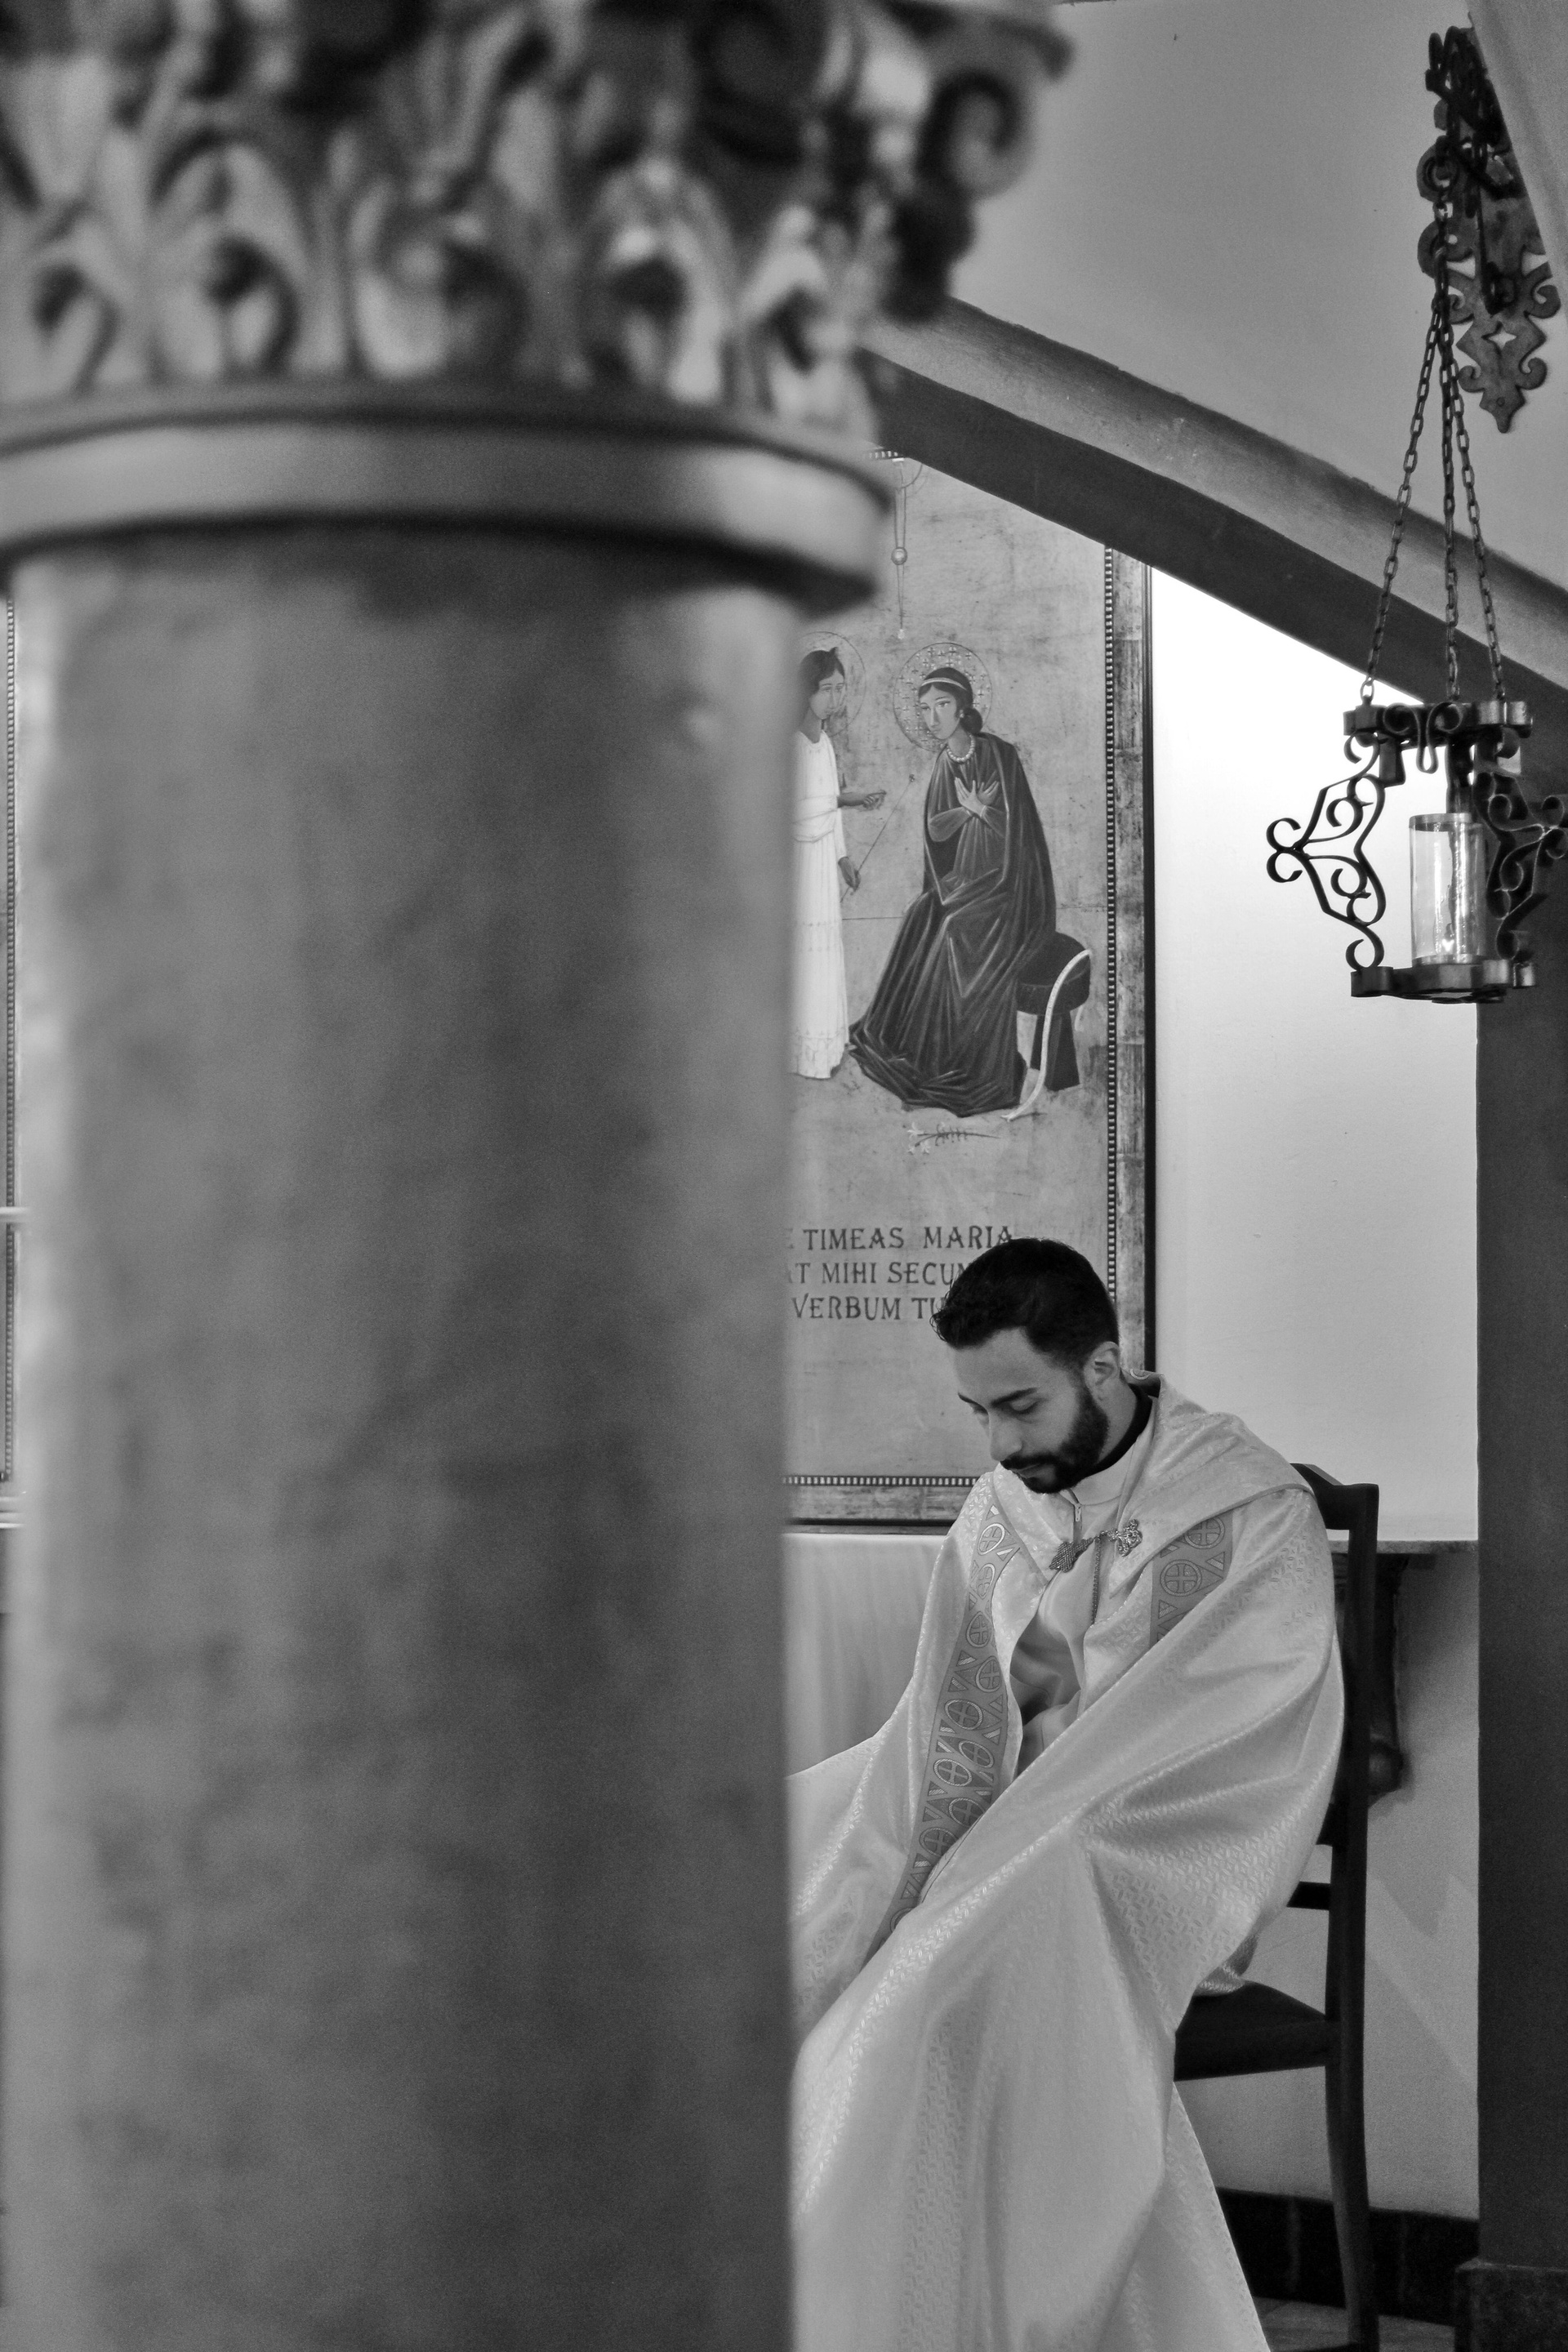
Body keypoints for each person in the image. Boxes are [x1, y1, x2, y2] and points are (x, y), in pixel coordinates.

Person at [789, 1238, 1343, 2352]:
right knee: (780, 1871)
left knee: (919, 2006)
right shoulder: (1004, 1504)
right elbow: (941, 1716)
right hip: (1011, 1826)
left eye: (1020, 1407)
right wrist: (912, 1850)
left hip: (1152, 1843)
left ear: (1100, 1369)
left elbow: (1236, 1729)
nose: (1000, 1445)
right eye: (978, 1413)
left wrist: (1010, 1836)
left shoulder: (1244, 1507)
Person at [848, 666, 1089, 1116]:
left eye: (941, 705)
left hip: (1011, 888)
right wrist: (966, 811)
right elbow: (937, 830)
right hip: (966, 881)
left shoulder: (1000, 754)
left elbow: (1018, 832)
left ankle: (961, 1064)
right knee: (921, 913)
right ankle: (915, 1051)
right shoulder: (945, 762)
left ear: (962, 708)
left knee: (956, 929)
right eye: (925, 709)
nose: (933, 718)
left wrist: (981, 809)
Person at [791, 649, 883, 1079]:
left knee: (824, 951)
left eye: (839, 689)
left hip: (823, 863)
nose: (834, 698)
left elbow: (830, 809)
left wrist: (843, 856)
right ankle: (800, 1054)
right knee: (801, 952)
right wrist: (844, 800)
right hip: (797, 863)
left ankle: (825, 1049)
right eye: (826, 689)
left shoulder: (825, 744)